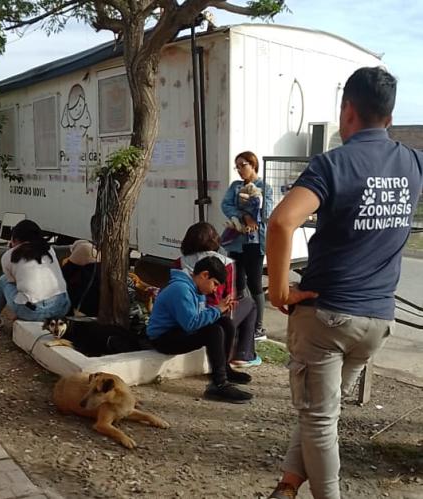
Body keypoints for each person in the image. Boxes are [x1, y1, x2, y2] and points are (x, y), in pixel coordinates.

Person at [265, 67, 422, 499]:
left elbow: (280, 222)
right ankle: (288, 484)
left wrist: (278, 292)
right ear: (389, 117)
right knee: (322, 409)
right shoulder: (412, 162)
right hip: (377, 322)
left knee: (318, 418)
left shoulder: (334, 164)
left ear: (346, 111)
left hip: (328, 317)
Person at [147, 256, 253, 403]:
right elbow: (191, 323)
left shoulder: (196, 289)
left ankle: (225, 369)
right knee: (213, 332)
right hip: (163, 338)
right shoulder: (181, 289)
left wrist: (219, 310)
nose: (215, 290)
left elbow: (199, 316)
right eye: (215, 284)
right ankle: (219, 384)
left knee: (225, 322)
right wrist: (216, 310)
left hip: (179, 330)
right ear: (204, 275)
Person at [173, 222, 260, 368]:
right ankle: (244, 354)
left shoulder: (179, 262)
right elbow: (229, 298)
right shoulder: (226, 263)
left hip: (188, 318)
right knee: (250, 303)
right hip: (216, 317)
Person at [222, 151, 273, 342]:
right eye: (237, 166)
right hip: (236, 240)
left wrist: (252, 213)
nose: (240, 170)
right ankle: (239, 321)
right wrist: (244, 215)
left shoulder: (264, 187)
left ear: (253, 164)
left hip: (254, 242)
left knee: (255, 283)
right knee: (237, 284)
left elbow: (265, 212)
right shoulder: (235, 186)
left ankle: (258, 326)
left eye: (243, 165)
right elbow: (225, 205)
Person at [0, 220, 71, 331]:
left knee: (3, 280)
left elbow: (13, 282)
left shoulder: (10, 255)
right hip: (61, 308)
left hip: (32, 312)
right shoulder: (49, 250)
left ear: (15, 239)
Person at [60, 239, 100, 317]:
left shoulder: (82, 249)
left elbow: (63, 275)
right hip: (98, 304)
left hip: (84, 305)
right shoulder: (96, 255)